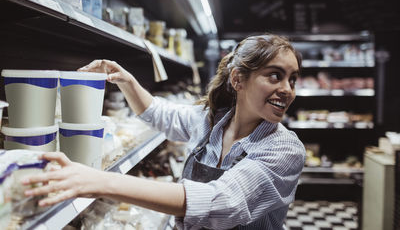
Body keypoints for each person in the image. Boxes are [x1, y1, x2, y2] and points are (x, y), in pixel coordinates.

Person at [23, 34, 306, 230]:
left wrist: (99, 180)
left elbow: (223, 202)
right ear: (238, 79)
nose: (287, 90)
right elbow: (161, 114)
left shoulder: (283, 149)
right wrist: (126, 81)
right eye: (274, 75)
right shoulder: (211, 121)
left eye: (292, 79)